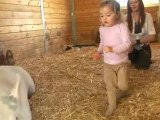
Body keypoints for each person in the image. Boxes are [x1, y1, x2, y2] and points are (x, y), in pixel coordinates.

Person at [93, 0, 131, 116]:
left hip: (121, 63)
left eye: (108, 15)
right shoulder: (102, 29)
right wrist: (98, 52)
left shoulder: (122, 27)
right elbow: (102, 43)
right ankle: (112, 104)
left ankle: (124, 91)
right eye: (102, 16)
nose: (104, 18)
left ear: (117, 14)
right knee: (109, 85)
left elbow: (127, 44)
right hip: (108, 63)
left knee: (122, 85)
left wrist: (113, 49)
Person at [126, 0, 156, 69]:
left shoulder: (147, 16)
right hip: (130, 48)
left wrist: (136, 41)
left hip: (143, 47)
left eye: (136, 2)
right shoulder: (125, 18)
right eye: (131, 3)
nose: (133, 5)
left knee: (143, 66)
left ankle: (145, 58)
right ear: (129, 5)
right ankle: (136, 58)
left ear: (140, 3)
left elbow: (153, 37)